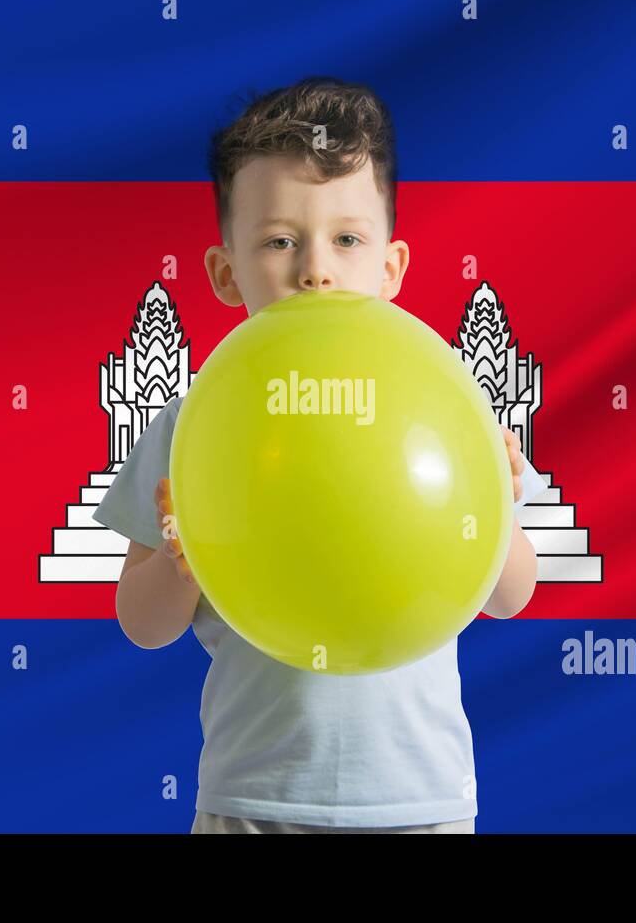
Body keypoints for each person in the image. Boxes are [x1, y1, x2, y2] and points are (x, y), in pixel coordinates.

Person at [93, 76, 546, 833]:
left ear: (392, 268)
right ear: (226, 273)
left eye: (347, 239)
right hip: (253, 801)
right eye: (279, 241)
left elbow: (509, 596)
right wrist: (180, 561)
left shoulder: (445, 413)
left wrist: (494, 511)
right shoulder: (193, 424)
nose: (315, 270)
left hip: (418, 802)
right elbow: (141, 624)